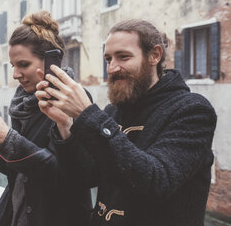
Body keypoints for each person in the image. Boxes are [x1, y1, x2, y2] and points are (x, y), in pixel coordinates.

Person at [35, 19, 217, 226]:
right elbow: (85, 177)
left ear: (154, 55)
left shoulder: (192, 110)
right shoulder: (114, 111)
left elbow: (156, 182)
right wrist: (65, 125)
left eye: (123, 57)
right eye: (108, 59)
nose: (112, 68)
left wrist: (88, 114)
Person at [0, 10, 92, 226]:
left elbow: (67, 176)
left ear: (49, 62)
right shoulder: (22, 104)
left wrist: (9, 139)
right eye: (13, 66)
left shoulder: (76, 102)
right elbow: (17, 170)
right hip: (19, 213)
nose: (15, 74)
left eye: (23, 64)